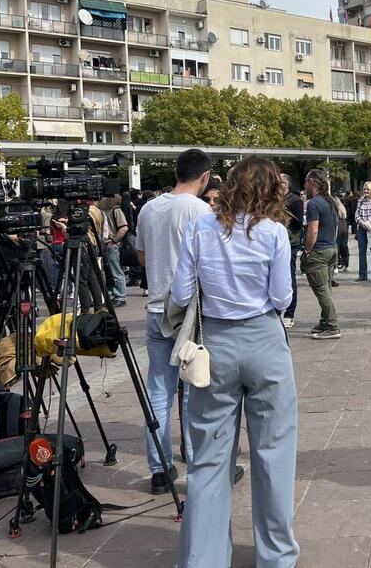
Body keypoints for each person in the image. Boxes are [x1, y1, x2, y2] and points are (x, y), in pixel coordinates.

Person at [171, 156, 299, 567]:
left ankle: (203, 559)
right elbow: (282, 298)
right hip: (263, 339)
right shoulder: (274, 232)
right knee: (273, 453)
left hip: (214, 344)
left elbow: (180, 292)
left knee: (208, 457)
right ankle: (276, 556)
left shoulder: (199, 227)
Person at [135, 149, 212, 494]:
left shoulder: (149, 208)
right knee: (194, 388)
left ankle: (159, 468)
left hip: (155, 308)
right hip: (188, 311)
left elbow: (140, 255)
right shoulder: (199, 210)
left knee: (159, 390)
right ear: (205, 177)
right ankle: (197, 464)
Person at [301, 169, 345, 340]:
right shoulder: (331, 201)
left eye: (306, 181)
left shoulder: (314, 203)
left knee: (321, 290)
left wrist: (307, 251)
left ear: (312, 182)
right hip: (331, 248)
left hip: (319, 251)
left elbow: (312, 231)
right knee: (326, 288)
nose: (304, 185)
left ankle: (332, 325)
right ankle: (326, 320)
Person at [279, 174, 304, 329]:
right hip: (277, 242)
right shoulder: (274, 199)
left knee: (289, 277)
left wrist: (285, 212)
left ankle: (290, 314)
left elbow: (298, 224)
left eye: (280, 182)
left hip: (290, 242)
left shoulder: (295, 200)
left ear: (286, 184)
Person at [99, 193, 129, 307]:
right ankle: (117, 295)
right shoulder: (112, 210)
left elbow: (124, 228)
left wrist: (114, 241)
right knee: (112, 271)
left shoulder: (115, 210)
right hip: (110, 243)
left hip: (111, 244)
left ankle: (120, 296)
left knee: (115, 270)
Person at [335, 191, 351, 273]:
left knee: (336, 246)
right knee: (344, 246)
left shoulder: (334, 207)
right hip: (344, 226)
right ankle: (347, 265)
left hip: (337, 226)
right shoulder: (343, 208)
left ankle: (336, 266)